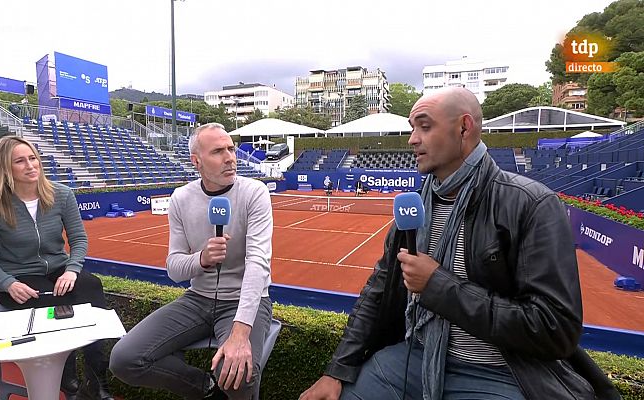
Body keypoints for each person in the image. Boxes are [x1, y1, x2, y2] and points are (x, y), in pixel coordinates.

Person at [299, 87, 619, 400]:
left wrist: (438, 285)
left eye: (425, 126)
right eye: (413, 128)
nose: (412, 139)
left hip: (502, 371)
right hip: (415, 356)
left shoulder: (531, 203)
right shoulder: (414, 208)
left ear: (464, 127)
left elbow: (554, 328)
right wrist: (336, 371)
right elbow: (378, 290)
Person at [109, 123, 273, 400]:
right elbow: (174, 268)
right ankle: (205, 387)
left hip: (245, 300)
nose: (230, 157)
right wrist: (203, 259)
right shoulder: (181, 199)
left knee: (237, 373)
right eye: (218, 151)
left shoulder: (254, 192)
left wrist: (240, 332)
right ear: (196, 161)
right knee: (124, 359)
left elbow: (258, 263)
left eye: (231, 149)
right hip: (197, 298)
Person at [0, 136, 115, 400]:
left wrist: (72, 269)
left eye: (33, 158)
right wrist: (7, 283)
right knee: (53, 302)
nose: (30, 165)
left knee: (91, 287)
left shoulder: (61, 194)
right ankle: (67, 379)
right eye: (20, 161)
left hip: (59, 269)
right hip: (18, 278)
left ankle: (97, 381)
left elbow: (79, 239)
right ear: (5, 168)